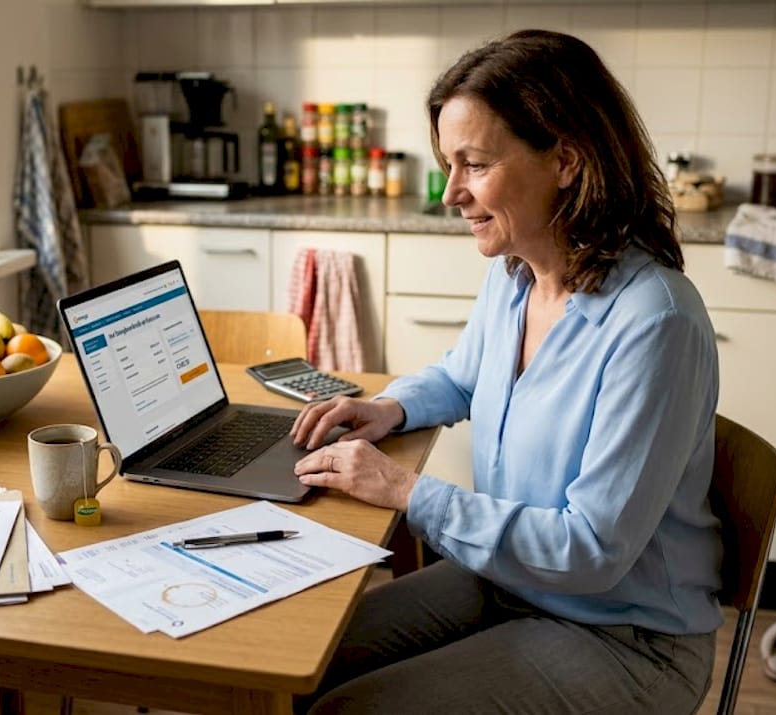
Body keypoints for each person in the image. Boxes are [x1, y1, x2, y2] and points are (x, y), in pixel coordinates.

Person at [290, 29, 721, 714]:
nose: (451, 193)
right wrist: (391, 408)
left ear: (567, 161)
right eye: (448, 164)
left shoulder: (655, 322)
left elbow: (592, 549)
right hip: (510, 581)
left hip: (624, 637)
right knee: (294, 660)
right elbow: (464, 375)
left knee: (346, 710)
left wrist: (406, 489)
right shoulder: (517, 274)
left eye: (475, 164)